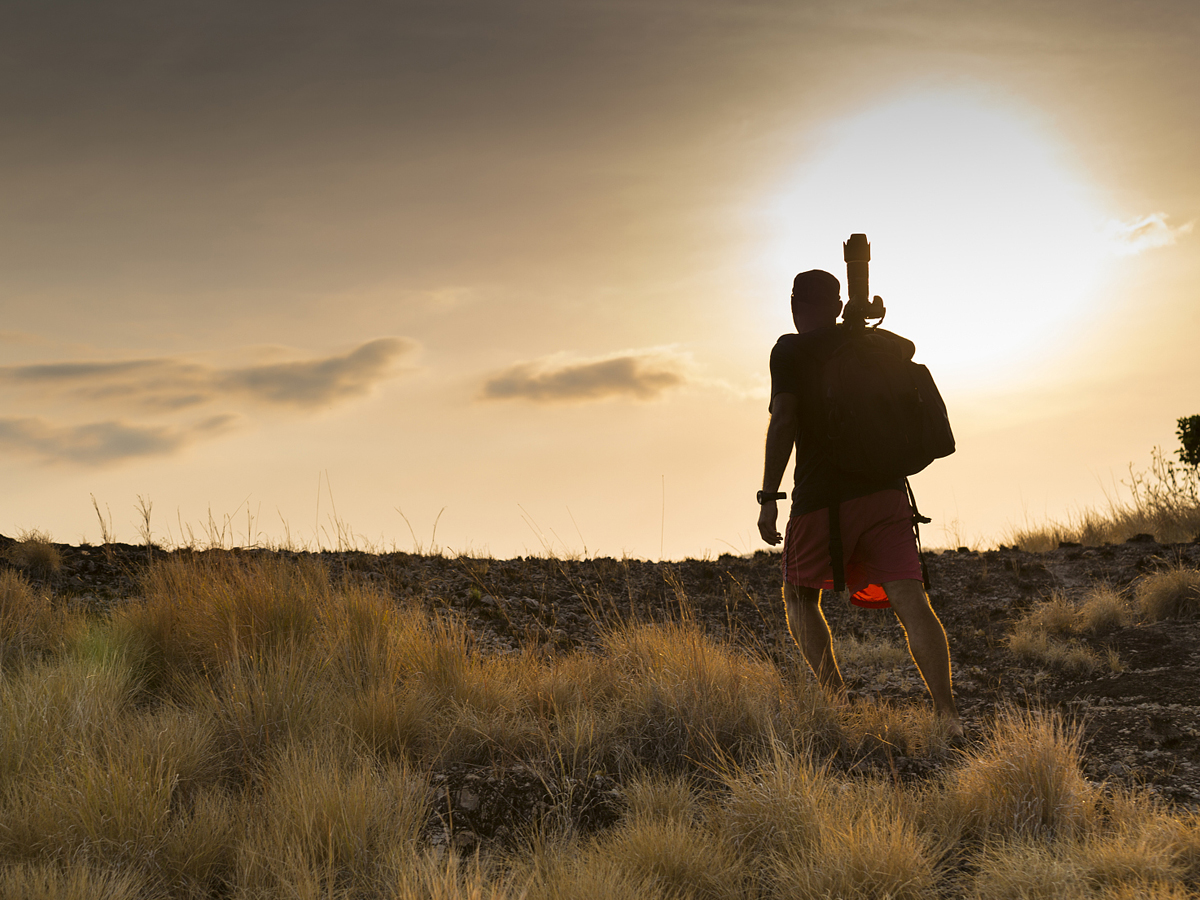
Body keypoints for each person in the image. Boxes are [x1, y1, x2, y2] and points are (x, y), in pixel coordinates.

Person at [757, 269, 961, 735]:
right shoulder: (875, 345)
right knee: (911, 599)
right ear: (837, 305)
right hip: (888, 493)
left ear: (795, 304)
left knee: (798, 595)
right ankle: (948, 717)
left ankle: (837, 703)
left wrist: (769, 496)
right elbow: (906, 353)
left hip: (821, 497)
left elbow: (784, 418)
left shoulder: (790, 350)